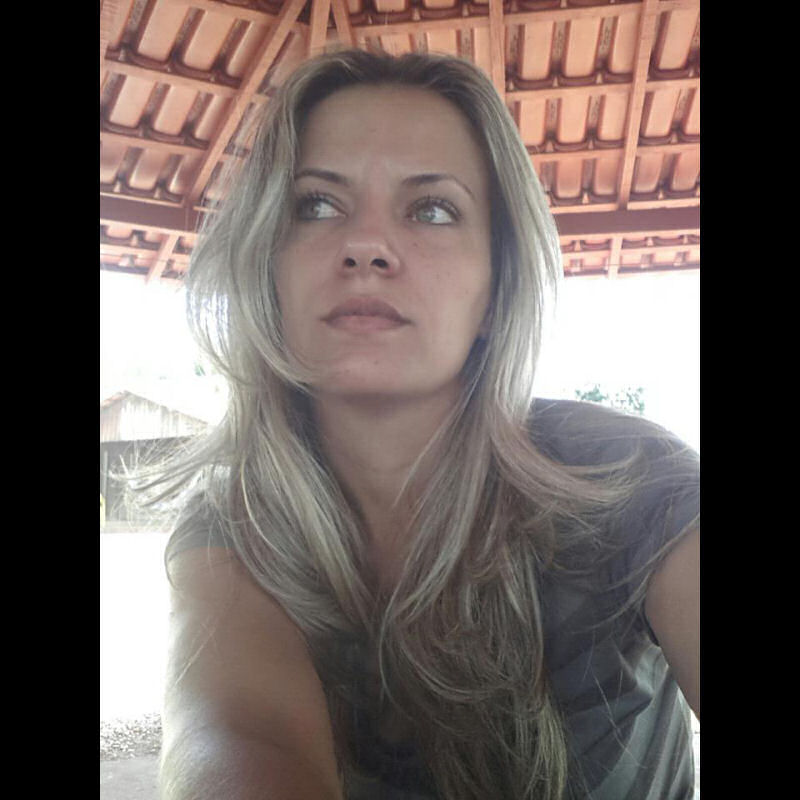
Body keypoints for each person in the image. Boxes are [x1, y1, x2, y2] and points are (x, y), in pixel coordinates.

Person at [149, 49, 699, 800]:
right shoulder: (234, 520)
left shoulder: (631, 479)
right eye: (316, 205)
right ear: (266, 266)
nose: (366, 247)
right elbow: (239, 733)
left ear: (496, 288)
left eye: (432, 209)